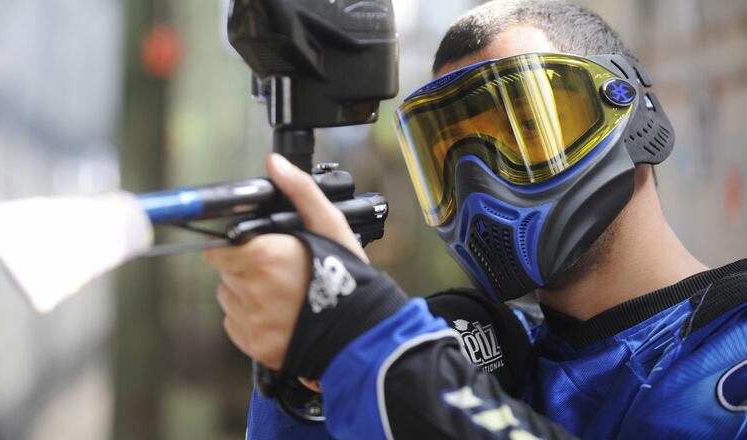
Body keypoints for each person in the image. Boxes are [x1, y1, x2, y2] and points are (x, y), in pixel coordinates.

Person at [203, 1, 747, 438]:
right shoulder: (494, 358)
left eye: (526, 127)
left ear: (630, 113)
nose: (478, 183)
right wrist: (308, 380)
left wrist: (390, 358)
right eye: (448, 155)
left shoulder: (732, 347)